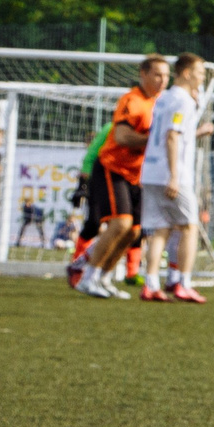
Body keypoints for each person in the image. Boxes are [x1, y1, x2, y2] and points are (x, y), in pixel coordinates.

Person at [78, 55, 166, 300]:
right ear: (143, 74)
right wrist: (154, 141)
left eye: (166, 75)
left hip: (137, 175)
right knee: (121, 224)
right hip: (113, 168)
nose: (162, 80)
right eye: (157, 74)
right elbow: (122, 137)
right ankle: (87, 277)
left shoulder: (160, 103)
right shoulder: (132, 100)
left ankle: (104, 277)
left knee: (133, 232)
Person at [138, 55, 207, 303]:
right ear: (187, 73)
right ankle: (183, 283)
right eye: (200, 72)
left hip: (151, 170)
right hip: (171, 173)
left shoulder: (164, 97)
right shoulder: (182, 100)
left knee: (161, 228)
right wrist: (174, 176)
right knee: (190, 227)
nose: (203, 77)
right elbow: (172, 136)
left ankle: (151, 283)